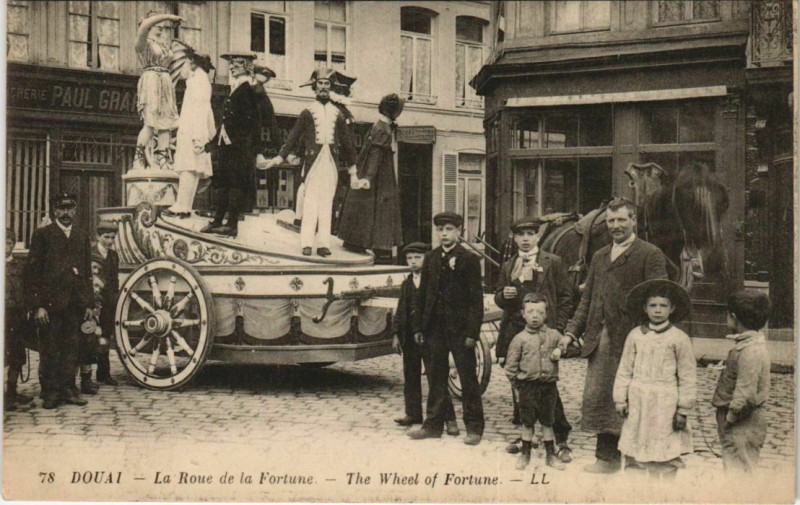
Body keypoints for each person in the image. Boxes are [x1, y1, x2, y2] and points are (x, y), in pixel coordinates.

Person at [564, 197, 668, 474]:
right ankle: (606, 459)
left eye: (622, 219)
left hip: (635, 340)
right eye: (611, 221)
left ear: (634, 220)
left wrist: (652, 335)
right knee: (601, 397)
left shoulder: (650, 254)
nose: (616, 226)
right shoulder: (599, 256)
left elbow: (659, 298)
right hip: (602, 339)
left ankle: (638, 460)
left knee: (635, 399)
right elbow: (587, 300)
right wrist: (571, 332)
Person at [494, 216, 574, 462]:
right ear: (515, 238)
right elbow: (498, 298)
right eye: (521, 235)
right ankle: (524, 435)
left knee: (547, 384)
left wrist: (558, 329)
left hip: (544, 332)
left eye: (530, 234)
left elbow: (565, 297)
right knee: (520, 384)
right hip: (516, 334)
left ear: (538, 237)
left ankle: (561, 439)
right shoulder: (509, 265)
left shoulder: (553, 262)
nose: (526, 239)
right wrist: (504, 295)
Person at [262, 67, 358, 257]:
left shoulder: (337, 114)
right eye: (320, 84)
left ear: (330, 87)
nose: (323, 87)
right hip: (312, 164)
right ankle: (306, 243)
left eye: (326, 84)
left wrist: (353, 171)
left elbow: (347, 144)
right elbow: (293, 136)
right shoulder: (307, 112)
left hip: (330, 165)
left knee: (326, 204)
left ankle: (323, 244)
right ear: (315, 87)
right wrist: (279, 157)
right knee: (310, 203)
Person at [408, 212, 485, 445]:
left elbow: (476, 300)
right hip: (434, 328)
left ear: (458, 232)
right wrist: (419, 327)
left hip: (460, 329)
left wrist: (472, 332)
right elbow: (422, 296)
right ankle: (433, 425)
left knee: (468, 378)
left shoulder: (469, 259)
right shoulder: (430, 258)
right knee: (435, 377)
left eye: (449, 229)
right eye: (440, 230)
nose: (444, 234)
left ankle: (474, 428)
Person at [613, 279, 696, 479]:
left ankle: (664, 492)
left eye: (663, 306)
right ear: (645, 308)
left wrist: (683, 409)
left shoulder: (679, 338)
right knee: (636, 444)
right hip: (638, 398)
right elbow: (625, 369)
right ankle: (639, 490)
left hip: (665, 401)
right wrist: (620, 399)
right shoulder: (635, 336)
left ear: (672, 308)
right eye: (653, 305)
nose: (658, 310)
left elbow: (687, 376)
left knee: (665, 446)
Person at [25, 192, 94, 409]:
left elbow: (86, 273)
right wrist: (38, 306)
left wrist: (89, 303)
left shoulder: (82, 236)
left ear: (75, 210)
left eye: (69, 208)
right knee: (50, 349)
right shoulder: (42, 235)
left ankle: (68, 389)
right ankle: (50, 392)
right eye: (61, 208)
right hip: (50, 305)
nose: (65, 213)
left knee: (71, 349)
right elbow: (32, 272)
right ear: (54, 211)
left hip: (74, 304)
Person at [392, 242, 458, 436]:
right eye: (409, 258)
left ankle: (450, 420)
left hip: (430, 335)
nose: (413, 262)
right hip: (409, 337)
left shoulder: (434, 281)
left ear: (426, 259)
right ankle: (413, 413)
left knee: (435, 377)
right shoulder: (407, 283)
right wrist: (396, 334)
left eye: (417, 258)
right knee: (410, 375)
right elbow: (400, 309)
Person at [505, 292, 572, 470]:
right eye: (531, 312)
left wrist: (560, 349)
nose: (535, 316)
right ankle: (525, 455)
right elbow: (511, 366)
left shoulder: (554, 335)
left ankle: (550, 456)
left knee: (547, 422)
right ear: (523, 314)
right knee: (527, 423)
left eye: (540, 312)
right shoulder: (519, 339)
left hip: (548, 387)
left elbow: (568, 346)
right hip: (527, 387)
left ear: (546, 315)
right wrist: (517, 385)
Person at [201, 52, 262, 239]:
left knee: (235, 185)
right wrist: (211, 143)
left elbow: (254, 123)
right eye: (231, 64)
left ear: (247, 67)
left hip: (239, 148)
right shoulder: (236, 87)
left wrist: (250, 148)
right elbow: (227, 121)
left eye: (236, 64)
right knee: (223, 184)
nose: (232, 67)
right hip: (227, 146)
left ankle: (232, 225)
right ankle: (218, 221)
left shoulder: (249, 90)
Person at [712, 289, 772, 474]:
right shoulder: (748, 345)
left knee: (739, 469)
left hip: (741, 422)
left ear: (733, 317)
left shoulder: (750, 351)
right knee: (735, 465)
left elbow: (745, 395)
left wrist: (730, 418)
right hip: (740, 420)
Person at [337, 93, 404, 254]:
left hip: (369, 169)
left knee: (364, 206)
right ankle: (374, 245)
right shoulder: (383, 129)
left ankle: (355, 240)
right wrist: (369, 177)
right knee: (377, 208)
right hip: (379, 174)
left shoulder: (379, 125)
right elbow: (376, 154)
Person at [164, 49, 215, 218]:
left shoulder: (198, 80)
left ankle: (182, 205)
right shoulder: (199, 80)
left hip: (194, 131)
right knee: (191, 169)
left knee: (188, 168)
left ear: (193, 62)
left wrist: (198, 137)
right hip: (193, 130)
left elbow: (201, 110)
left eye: (188, 61)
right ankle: (184, 206)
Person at [133, 11, 182, 170]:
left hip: (165, 82)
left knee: (166, 124)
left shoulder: (162, 45)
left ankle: (162, 158)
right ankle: (138, 158)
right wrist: (167, 17)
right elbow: (145, 27)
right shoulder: (143, 42)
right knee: (150, 122)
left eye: (163, 27)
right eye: (158, 26)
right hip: (151, 80)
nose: (161, 29)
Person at [5, 227, 33, 410]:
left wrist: (28, 308)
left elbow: (26, 289)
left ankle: (11, 393)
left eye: (8, 243)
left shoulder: (18, 265)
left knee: (17, 354)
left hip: (17, 316)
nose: (5, 247)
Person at [92, 221, 120, 387]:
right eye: (106, 237)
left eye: (112, 237)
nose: (110, 241)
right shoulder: (90, 253)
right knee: (90, 336)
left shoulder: (114, 256)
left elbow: (114, 280)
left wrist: (114, 299)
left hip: (108, 303)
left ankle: (103, 374)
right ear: (98, 236)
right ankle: (86, 378)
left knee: (105, 337)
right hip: (93, 302)